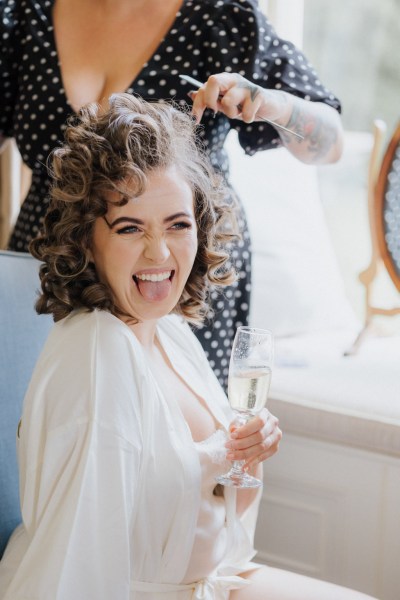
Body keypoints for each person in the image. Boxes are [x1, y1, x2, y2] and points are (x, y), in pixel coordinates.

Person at [0, 95, 376, 600]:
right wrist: (218, 455)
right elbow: (77, 563)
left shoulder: (170, 332)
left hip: (214, 580)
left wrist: (245, 452)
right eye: (130, 228)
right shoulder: (97, 356)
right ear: (88, 239)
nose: (160, 252)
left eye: (178, 224)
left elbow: (210, 509)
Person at [0, 0, 344, 388]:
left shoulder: (220, 14)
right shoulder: (23, 13)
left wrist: (273, 104)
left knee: (183, 434)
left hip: (176, 271)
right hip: (58, 269)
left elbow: (331, 142)